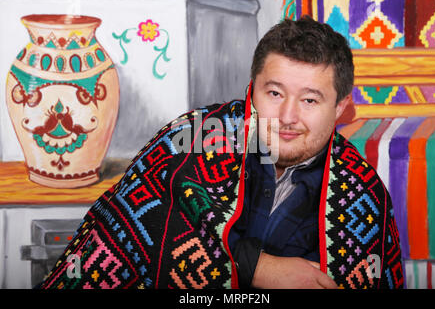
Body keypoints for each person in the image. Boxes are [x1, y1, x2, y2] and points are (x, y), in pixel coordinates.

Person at [36, 16, 403, 289]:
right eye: (274, 94)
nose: (288, 117)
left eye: (310, 100)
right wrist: (259, 269)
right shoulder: (193, 135)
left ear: (340, 107)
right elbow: (141, 224)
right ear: (252, 89)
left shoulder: (362, 192)